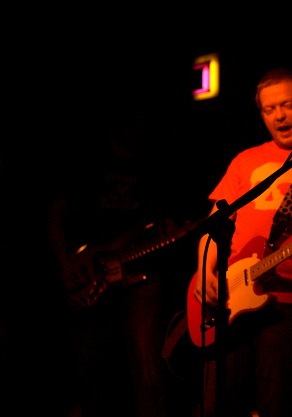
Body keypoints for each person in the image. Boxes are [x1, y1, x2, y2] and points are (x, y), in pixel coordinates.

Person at [189, 68, 292, 417]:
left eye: (287, 105)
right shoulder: (244, 160)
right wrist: (205, 271)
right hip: (231, 297)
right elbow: (213, 225)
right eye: (269, 109)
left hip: (291, 297)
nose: (279, 115)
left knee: (277, 403)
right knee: (219, 402)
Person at [46, 104, 192, 417]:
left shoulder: (155, 164)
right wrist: (65, 266)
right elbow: (57, 211)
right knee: (92, 369)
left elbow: (165, 217)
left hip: (140, 273)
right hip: (89, 275)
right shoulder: (87, 159)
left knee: (147, 368)